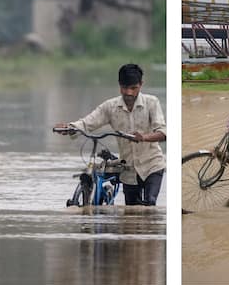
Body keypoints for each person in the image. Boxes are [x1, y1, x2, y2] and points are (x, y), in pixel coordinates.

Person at [55, 64, 166, 205]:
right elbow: (88, 122)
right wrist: (70, 127)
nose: (129, 93)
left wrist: (144, 137)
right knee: (131, 213)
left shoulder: (152, 103)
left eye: (133, 88)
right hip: (128, 170)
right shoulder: (110, 107)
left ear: (141, 85)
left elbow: (163, 132)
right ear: (119, 85)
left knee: (149, 204)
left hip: (152, 165)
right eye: (125, 88)